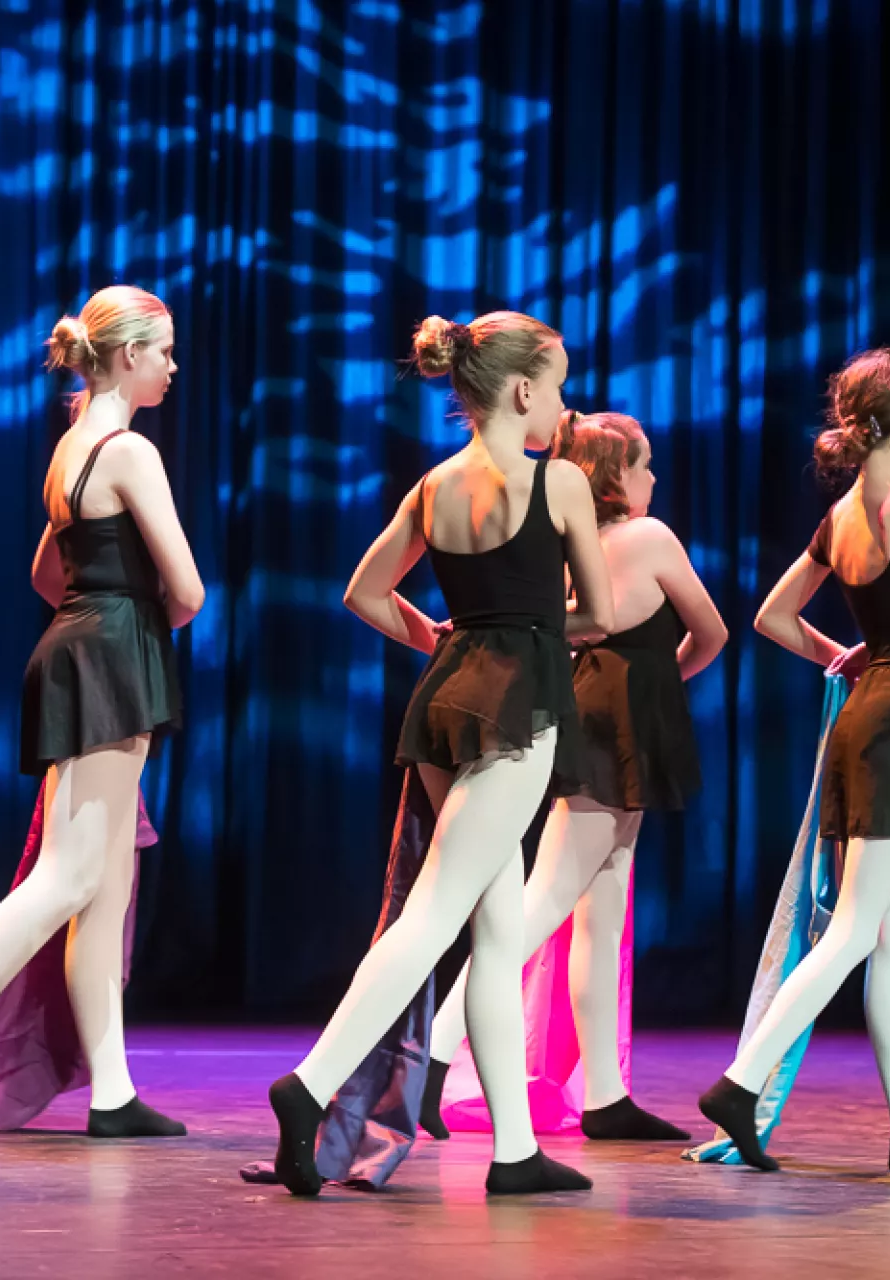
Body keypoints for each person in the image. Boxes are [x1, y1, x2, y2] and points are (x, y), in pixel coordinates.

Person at [265, 311, 614, 1197]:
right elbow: (598, 618)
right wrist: (527, 632)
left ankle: (514, 1150)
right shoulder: (559, 483)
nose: (565, 405)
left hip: (448, 699)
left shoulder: (433, 486)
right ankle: (308, 1085)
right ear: (525, 389)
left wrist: (442, 640)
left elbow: (363, 592)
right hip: (521, 703)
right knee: (434, 916)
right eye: (561, 385)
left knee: (495, 940)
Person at [0, 286, 202, 1142]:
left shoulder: (70, 449)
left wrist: (104, 609)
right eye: (164, 350)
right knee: (67, 876)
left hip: (76, 643)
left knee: (104, 887)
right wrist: (139, 619)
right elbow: (190, 589)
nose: (173, 366)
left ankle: (113, 1090)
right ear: (128, 355)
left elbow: (43, 576)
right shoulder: (128, 452)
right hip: (112, 656)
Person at [698, 347, 890, 1173]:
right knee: (858, 927)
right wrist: (887, 649)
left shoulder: (839, 525)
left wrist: (857, 652)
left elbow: (773, 618)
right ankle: (739, 1082)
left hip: (865, 719)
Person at [424, 409, 727, 1144]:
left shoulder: (573, 549)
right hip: (614, 725)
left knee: (601, 909)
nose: (654, 477)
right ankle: (426, 1062)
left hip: (594, 713)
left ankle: (605, 1094)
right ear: (616, 475)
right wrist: (661, 686)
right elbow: (710, 631)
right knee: (545, 901)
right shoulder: (648, 538)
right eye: (645, 463)